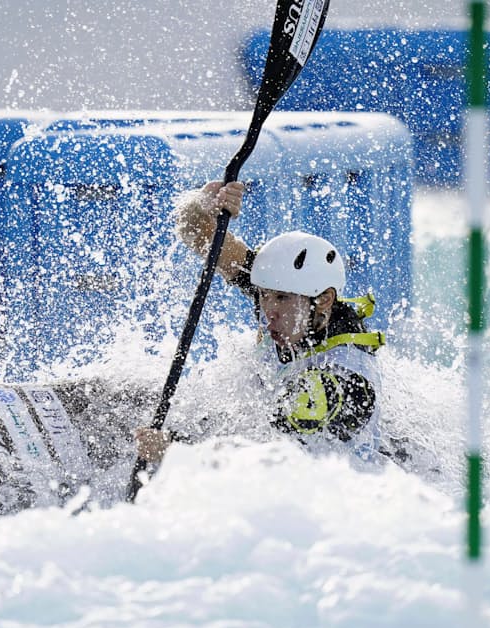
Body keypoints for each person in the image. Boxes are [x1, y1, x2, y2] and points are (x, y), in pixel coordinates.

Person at [136, 180, 385, 465]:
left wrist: (178, 454)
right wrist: (205, 204)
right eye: (264, 296)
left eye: (280, 298)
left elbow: (270, 463)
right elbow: (199, 232)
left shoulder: (345, 381)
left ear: (324, 300)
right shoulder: (294, 302)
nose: (268, 311)